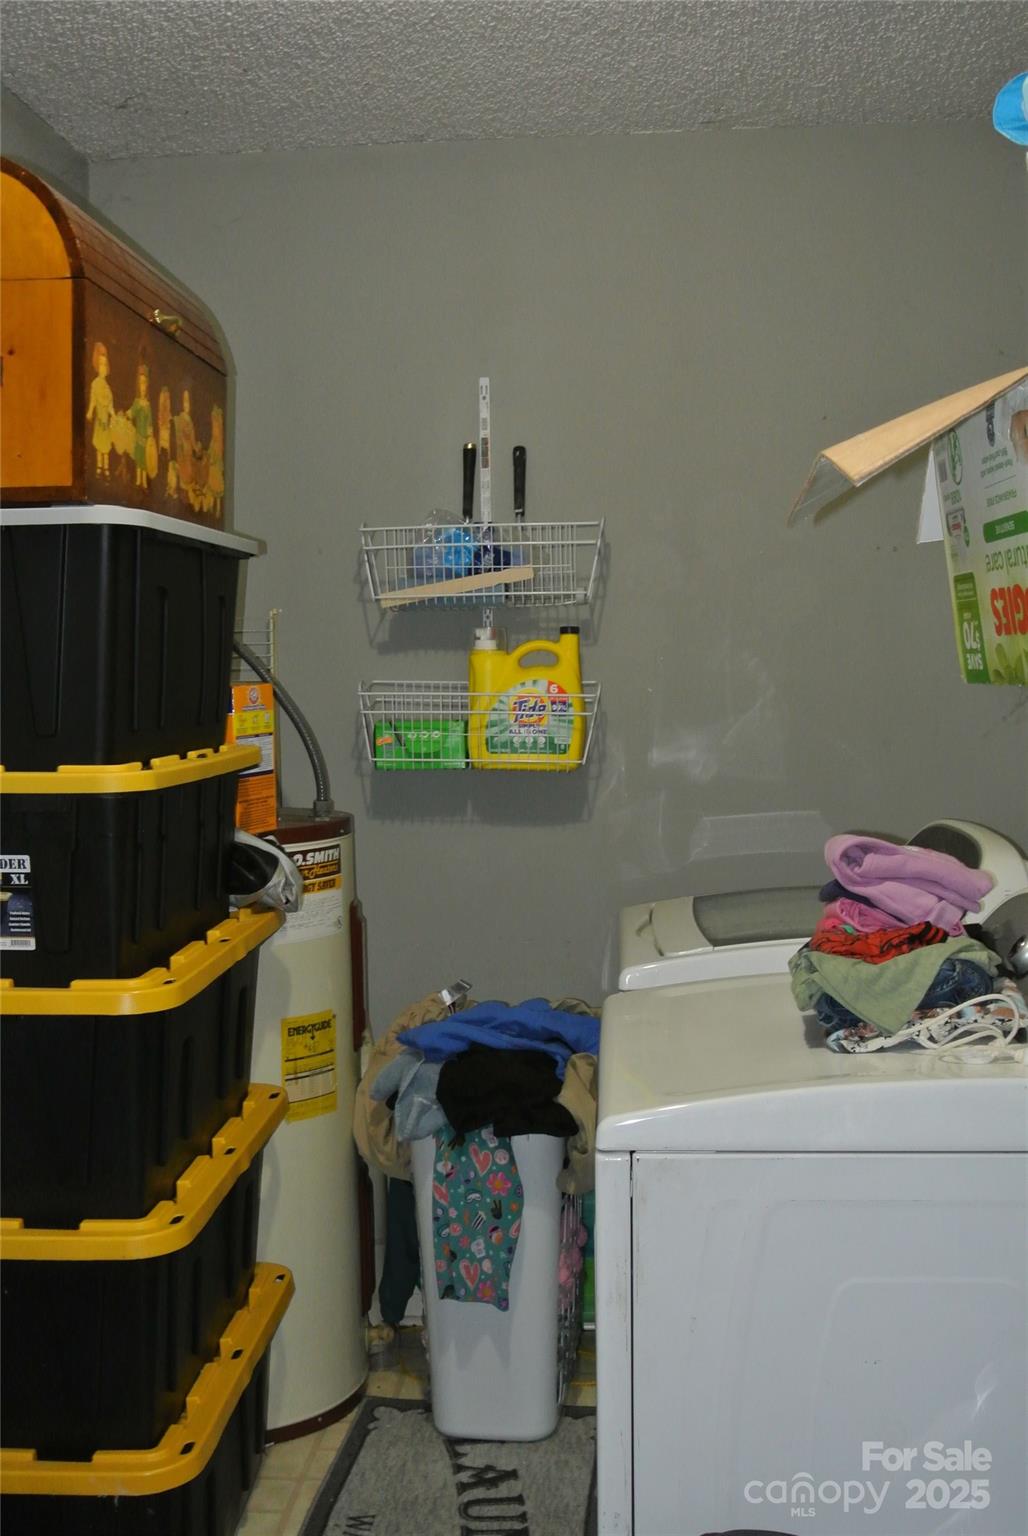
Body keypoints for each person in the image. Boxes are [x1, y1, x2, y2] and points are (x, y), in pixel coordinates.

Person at [85, 341, 114, 478]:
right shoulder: (95, 384)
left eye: (105, 365)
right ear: (97, 365)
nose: (103, 368)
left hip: (106, 424)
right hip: (99, 422)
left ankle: (107, 468)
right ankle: (99, 467)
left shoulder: (108, 389)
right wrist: (90, 411)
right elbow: (93, 401)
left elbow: (110, 406)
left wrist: (114, 415)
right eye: (100, 365)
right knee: (99, 446)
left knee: (106, 448)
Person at [129, 363, 153, 490]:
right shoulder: (137, 403)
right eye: (141, 383)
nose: (142, 387)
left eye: (144, 383)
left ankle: (144, 480)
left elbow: (150, 421)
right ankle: (138, 479)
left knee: (145, 461)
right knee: (138, 459)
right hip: (138, 435)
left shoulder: (148, 405)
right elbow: (132, 412)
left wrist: (150, 433)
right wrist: (126, 414)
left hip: (145, 437)